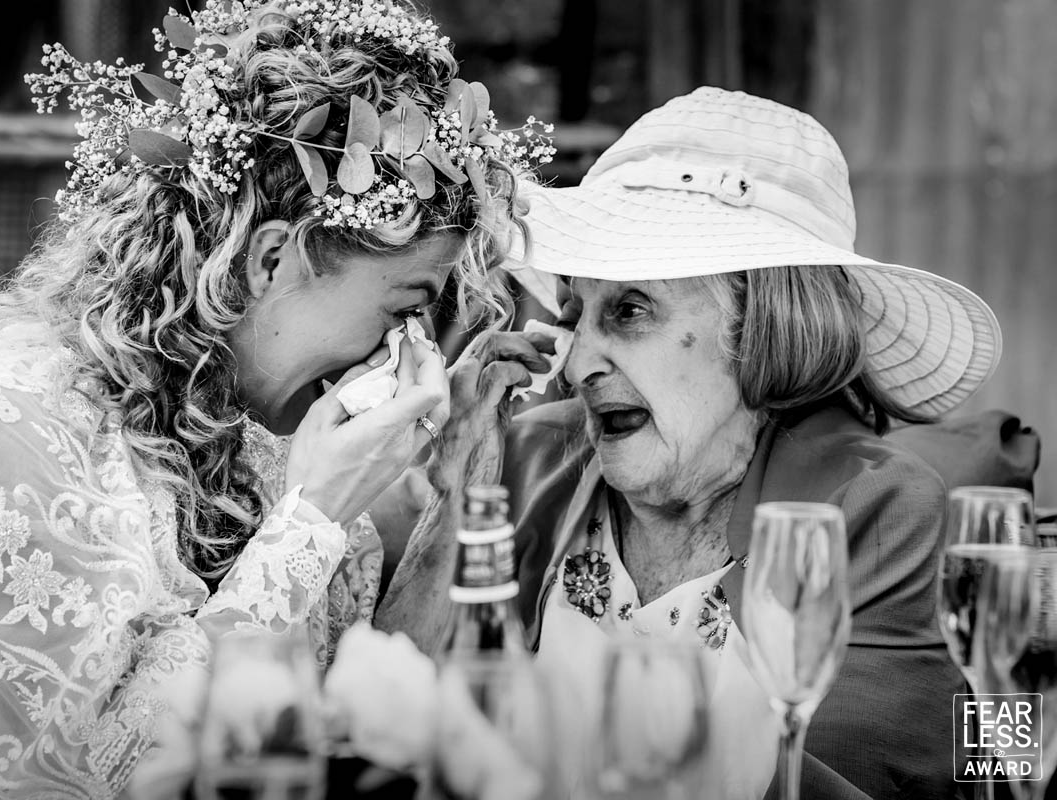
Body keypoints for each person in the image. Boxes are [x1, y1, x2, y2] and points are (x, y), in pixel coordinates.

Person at [0, 1, 553, 797]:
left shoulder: (267, 435)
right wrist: (310, 523)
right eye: (402, 309)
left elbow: (363, 725)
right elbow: (78, 779)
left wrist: (457, 481)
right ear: (271, 259)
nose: (405, 353)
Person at [378, 87, 1028, 799]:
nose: (577, 362)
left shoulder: (873, 508)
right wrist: (456, 500)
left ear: (760, 329)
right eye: (572, 314)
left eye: (629, 311)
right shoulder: (528, 454)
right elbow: (383, 724)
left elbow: (856, 779)